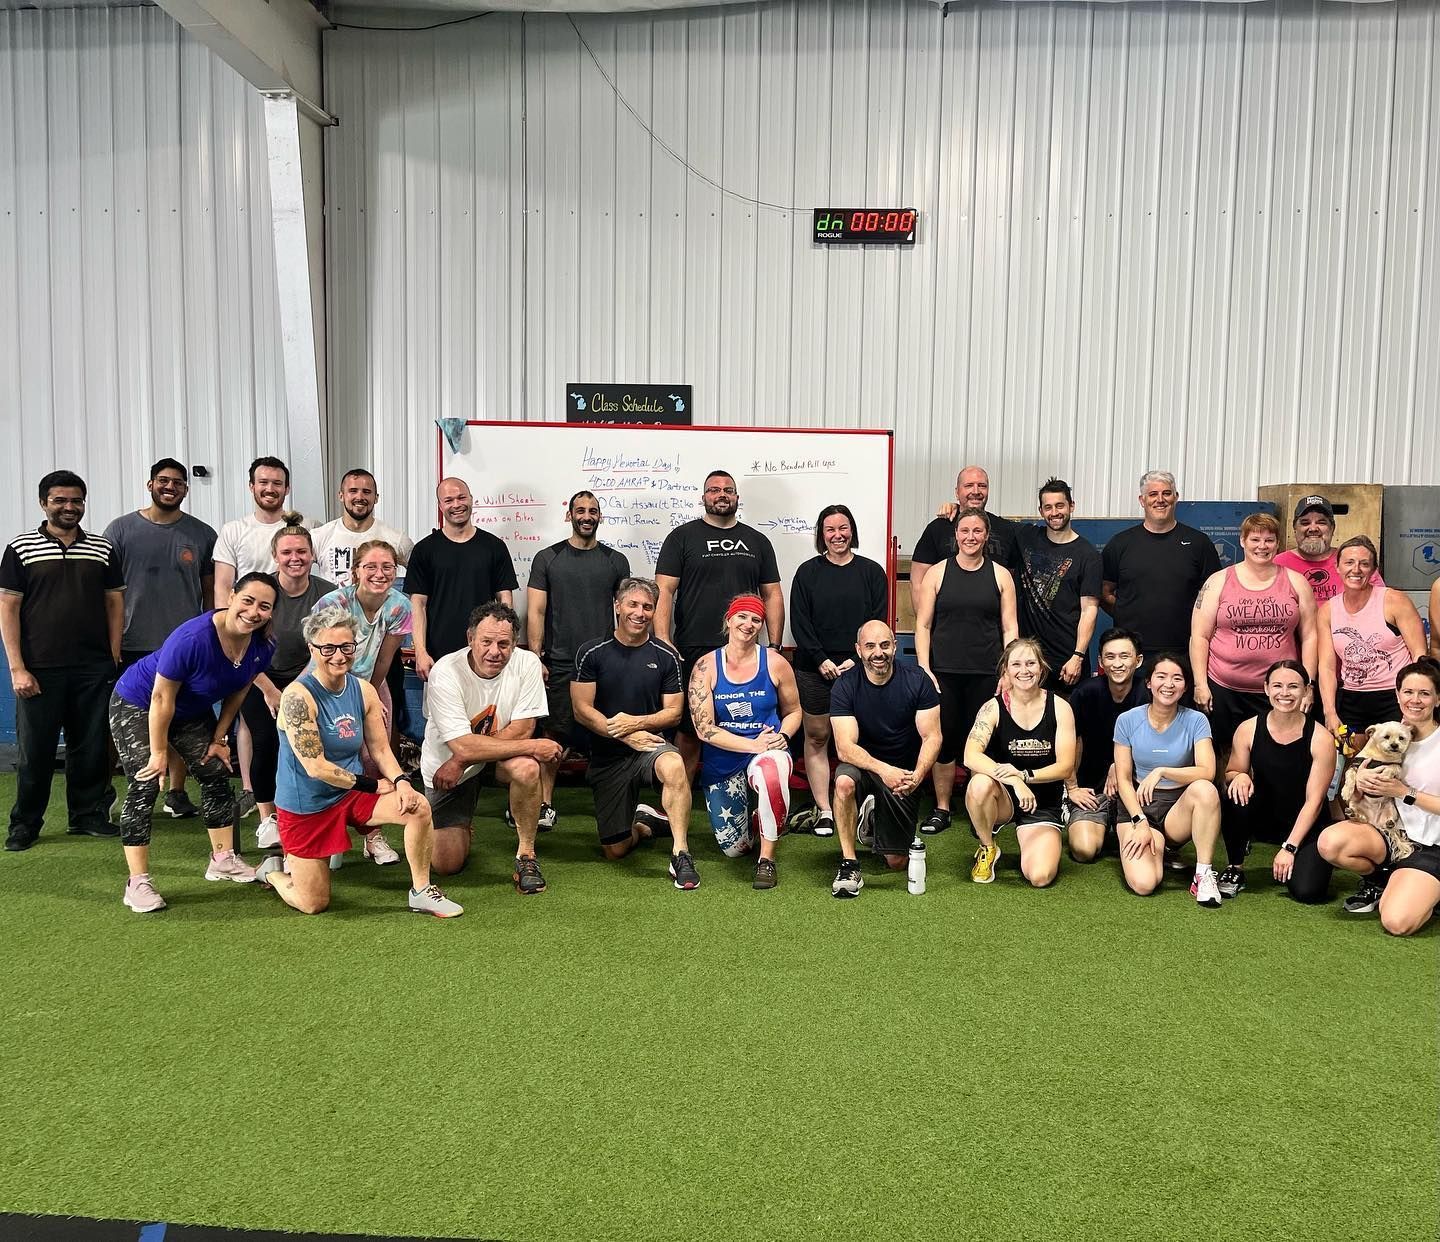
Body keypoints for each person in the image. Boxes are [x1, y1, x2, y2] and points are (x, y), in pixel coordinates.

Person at [260, 607, 461, 917]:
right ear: (313, 649)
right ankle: (273, 872)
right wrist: (371, 784)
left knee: (417, 806)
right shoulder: (298, 697)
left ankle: (421, 891)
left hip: (349, 792)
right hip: (306, 804)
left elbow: (380, 751)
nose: (338, 656)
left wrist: (402, 783)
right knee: (313, 903)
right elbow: (316, 767)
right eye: (328, 648)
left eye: (346, 647)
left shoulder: (364, 690)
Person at [107, 573, 279, 912]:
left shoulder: (262, 646)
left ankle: (223, 859)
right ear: (231, 596)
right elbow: (160, 698)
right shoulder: (192, 638)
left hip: (189, 711)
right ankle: (137, 882)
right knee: (144, 784)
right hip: (139, 703)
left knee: (215, 771)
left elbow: (240, 688)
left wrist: (219, 737)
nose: (253, 611)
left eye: (264, 606)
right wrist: (158, 753)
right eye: (247, 600)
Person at [1, 470, 124, 850]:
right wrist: (18, 668)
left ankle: (87, 816)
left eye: (76, 501)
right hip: (39, 669)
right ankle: (25, 824)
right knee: (34, 751)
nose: (69, 507)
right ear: (44, 503)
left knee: (90, 746)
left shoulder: (102, 548)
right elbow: (8, 606)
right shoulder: (21, 548)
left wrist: (113, 653)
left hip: (93, 667)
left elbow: (114, 601)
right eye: (60, 500)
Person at [103, 459, 218, 819]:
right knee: (133, 725)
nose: (170, 487)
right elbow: (108, 593)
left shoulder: (201, 534)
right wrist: (113, 644)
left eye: (178, 483)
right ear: (150, 484)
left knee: (181, 720)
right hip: (133, 644)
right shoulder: (120, 531)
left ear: (185, 489)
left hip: (185, 650)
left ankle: (177, 792)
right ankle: (126, 793)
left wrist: (211, 638)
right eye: (163, 481)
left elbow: (210, 593)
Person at [420, 601, 560, 892]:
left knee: (527, 767)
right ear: (470, 638)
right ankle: (462, 824)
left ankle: (526, 855)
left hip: (479, 763)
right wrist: (462, 759)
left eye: (504, 643)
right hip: (447, 769)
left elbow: (522, 728)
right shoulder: (445, 671)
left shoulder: (527, 664)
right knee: (446, 865)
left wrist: (465, 756)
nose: (495, 651)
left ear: (514, 643)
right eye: (486, 642)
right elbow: (462, 746)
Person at [572, 578, 700, 889]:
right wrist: (623, 733)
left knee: (673, 764)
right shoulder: (592, 653)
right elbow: (582, 710)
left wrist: (635, 724)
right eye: (633, 604)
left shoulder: (666, 656)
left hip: (649, 748)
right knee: (615, 850)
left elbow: (674, 712)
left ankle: (681, 852)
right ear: (617, 606)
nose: (640, 613)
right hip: (608, 757)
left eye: (647, 607)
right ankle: (644, 825)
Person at [655, 469, 784, 776]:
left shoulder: (757, 541)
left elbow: (773, 594)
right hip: (693, 646)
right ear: (704, 498)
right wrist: (663, 638)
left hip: (745, 650)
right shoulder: (682, 537)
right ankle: (680, 795)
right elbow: (664, 589)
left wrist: (775, 645)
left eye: (728, 490)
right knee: (689, 730)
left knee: (746, 722)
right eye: (714, 490)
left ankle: (746, 789)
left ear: (737, 498)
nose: (721, 494)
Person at [526, 489, 631, 821]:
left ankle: (616, 803)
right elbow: (536, 612)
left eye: (593, 510)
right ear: (569, 516)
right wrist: (535, 658)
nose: (587, 515)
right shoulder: (548, 558)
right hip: (560, 662)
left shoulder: (616, 561)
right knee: (554, 734)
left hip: (605, 664)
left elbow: (626, 613)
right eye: (581, 510)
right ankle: (543, 805)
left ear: (600, 516)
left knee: (611, 732)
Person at [913, 507, 1019, 835]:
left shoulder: (1001, 576)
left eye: (977, 532)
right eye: (964, 531)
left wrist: (1008, 671)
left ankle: (979, 808)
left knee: (982, 743)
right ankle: (942, 808)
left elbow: (1010, 627)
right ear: (955, 535)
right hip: (943, 672)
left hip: (987, 673)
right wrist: (923, 668)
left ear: (986, 536)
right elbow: (923, 624)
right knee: (943, 742)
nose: (970, 537)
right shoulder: (937, 573)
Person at [1317, 659, 1440, 935]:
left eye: (1425, 693)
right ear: (1397, 695)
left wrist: (1404, 793)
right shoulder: (1390, 731)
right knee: (1330, 843)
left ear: (1438, 698)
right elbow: (1362, 761)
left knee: (1397, 922)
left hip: (1433, 844)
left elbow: (1404, 792)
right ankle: (1380, 881)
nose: (1415, 700)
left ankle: (1423, 890)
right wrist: (1359, 774)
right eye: (1408, 692)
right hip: (1391, 831)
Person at [788, 504, 888, 836]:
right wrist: (820, 659)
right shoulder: (807, 572)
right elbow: (800, 623)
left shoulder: (872, 572)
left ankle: (864, 803)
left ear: (852, 531)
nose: (837, 535)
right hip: (813, 670)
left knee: (861, 738)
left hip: (860, 669)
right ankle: (825, 809)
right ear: (821, 535)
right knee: (817, 737)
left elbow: (876, 622)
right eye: (830, 529)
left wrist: (855, 658)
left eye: (843, 528)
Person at [690, 594, 802, 889]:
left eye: (756, 619)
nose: (748, 624)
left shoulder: (775, 663)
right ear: (729, 620)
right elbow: (704, 729)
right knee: (735, 849)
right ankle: (760, 819)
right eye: (742, 616)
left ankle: (767, 860)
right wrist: (753, 745)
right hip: (726, 755)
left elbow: (793, 711)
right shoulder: (705, 666)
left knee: (770, 775)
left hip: (768, 748)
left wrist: (782, 736)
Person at [1190, 512, 1318, 765]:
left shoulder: (1296, 582)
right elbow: (1199, 636)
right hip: (1225, 690)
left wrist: (1308, 685)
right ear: (1242, 541)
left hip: (1277, 692)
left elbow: (1310, 636)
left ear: (1278, 544)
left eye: (1269, 540)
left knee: (1272, 758)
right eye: (1255, 540)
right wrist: (1200, 684)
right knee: (1224, 759)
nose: (1262, 546)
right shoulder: (1218, 582)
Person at [237, 522, 334, 851]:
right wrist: (270, 690)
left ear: (312, 555)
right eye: (287, 552)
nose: (296, 558)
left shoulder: (326, 593)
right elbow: (241, 647)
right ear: (275, 556)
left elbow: (328, 645)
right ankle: (267, 819)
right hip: (258, 676)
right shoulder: (262, 594)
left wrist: (296, 689)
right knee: (266, 741)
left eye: (302, 552)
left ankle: (309, 813)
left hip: (308, 678)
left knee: (310, 746)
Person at [829, 621, 942, 898]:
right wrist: (883, 770)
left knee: (896, 863)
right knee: (843, 782)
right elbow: (844, 748)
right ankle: (849, 863)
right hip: (864, 766)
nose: (878, 653)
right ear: (858, 650)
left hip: (902, 774)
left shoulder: (917, 680)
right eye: (870, 646)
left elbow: (933, 737)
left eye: (884, 645)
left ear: (894, 645)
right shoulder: (845, 686)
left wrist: (917, 774)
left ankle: (871, 819)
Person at [962, 639, 1077, 886]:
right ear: (1006, 670)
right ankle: (987, 846)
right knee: (979, 784)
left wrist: (1025, 775)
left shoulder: (1060, 708)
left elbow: (1066, 767)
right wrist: (1014, 780)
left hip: (1043, 803)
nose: (1024, 671)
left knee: (1040, 877)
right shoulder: (992, 708)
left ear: (1042, 668)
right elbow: (970, 756)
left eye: (1030, 663)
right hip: (1005, 797)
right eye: (1016, 664)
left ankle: (1033, 838)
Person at [1113, 653, 1224, 907]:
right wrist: (1138, 820)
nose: (1169, 684)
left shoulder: (1196, 720)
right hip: (1139, 808)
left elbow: (1207, 770)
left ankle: (1203, 875)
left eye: (1177, 678)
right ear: (1149, 682)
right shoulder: (1127, 720)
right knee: (1144, 883)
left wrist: (1164, 771)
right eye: (1161, 677)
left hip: (1177, 809)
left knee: (1205, 789)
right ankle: (1159, 850)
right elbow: (1123, 779)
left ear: (1185, 686)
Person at [1220, 661, 1336, 903]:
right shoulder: (1248, 729)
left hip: (1307, 821)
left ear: (1306, 691)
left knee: (1307, 892)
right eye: (1278, 686)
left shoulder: (1321, 738)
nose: (1285, 693)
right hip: (1265, 813)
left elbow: (1314, 802)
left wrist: (1290, 848)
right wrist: (1239, 775)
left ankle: (1300, 852)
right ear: (1266, 689)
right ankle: (1235, 867)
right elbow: (1231, 771)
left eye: (1293, 686)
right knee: (1233, 791)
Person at [407, 477, 518, 678]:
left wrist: (505, 645)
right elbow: (418, 605)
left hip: (485, 656)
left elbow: (505, 600)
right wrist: (420, 652)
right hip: (438, 658)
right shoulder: (424, 550)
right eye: (449, 500)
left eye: (461, 497)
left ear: (471, 499)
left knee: (487, 710)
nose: (456, 505)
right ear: (440, 505)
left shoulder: (494, 547)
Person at [1101, 471, 1221, 654]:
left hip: (1184, 649)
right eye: (1153, 494)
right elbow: (1104, 592)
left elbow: (1214, 597)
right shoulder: (1120, 543)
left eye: (1166, 493)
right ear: (1142, 500)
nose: (1160, 499)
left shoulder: (1199, 543)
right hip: (1132, 650)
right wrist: (1126, 613)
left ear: (1176, 497)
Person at [1318, 536, 1426, 737]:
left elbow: (1419, 655)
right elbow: (1326, 666)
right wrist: (1329, 711)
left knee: (1394, 763)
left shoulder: (1394, 601)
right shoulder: (1327, 610)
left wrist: (1412, 702)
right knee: (1353, 763)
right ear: (1337, 567)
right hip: (1351, 698)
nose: (1356, 569)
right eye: (1349, 562)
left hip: (1394, 697)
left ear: (1374, 569)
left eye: (1364, 564)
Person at [1065, 628, 1149, 863]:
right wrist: (1072, 788)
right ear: (1101, 661)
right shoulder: (1086, 692)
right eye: (1110, 657)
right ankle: (1089, 819)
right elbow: (1070, 744)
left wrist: (1120, 766)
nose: (1118, 663)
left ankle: (1125, 825)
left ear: (1138, 660)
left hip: (1137, 792)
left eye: (1125, 656)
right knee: (1084, 850)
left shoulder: (1150, 694)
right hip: (1093, 791)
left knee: (1143, 851)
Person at [1015, 479, 1102, 697]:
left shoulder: (1088, 555)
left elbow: (1089, 610)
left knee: (1069, 727)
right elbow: (985, 521)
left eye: (1060, 505)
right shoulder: (1026, 537)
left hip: (1067, 662)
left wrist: (1078, 656)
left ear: (1071, 506)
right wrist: (956, 507)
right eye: (1048, 507)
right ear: (1041, 511)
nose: (1054, 512)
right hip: (1031, 661)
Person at [908, 464, 1021, 616]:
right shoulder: (937, 529)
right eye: (969, 486)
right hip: (946, 629)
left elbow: (1011, 582)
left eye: (982, 486)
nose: (976, 491)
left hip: (992, 632)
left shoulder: (1005, 529)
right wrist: (927, 627)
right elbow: (918, 584)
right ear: (957, 492)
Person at [310, 468, 414, 584]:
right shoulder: (318, 536)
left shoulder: (397, 540)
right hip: (333, 603)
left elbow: (421, 579)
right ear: (341, 496)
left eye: (366, 492)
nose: (360, 497)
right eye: (353, 491)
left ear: (376, 498)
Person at [214, 457, 294, 602]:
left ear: (287, 489)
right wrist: (225, 623)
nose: (270, 489)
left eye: (277, 483)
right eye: (263, 482)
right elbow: (223, 587)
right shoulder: (232, 530)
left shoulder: (307, 527)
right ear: (251, 486)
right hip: (251, 616)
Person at [1274, 495, 1380, 604]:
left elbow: (1379, 603)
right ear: (1295, 529)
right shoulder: (1277, 564)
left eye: (1321, 522)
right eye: (1305, 523)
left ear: (1332, 528)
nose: (1313, 528)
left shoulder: (1356, 561)